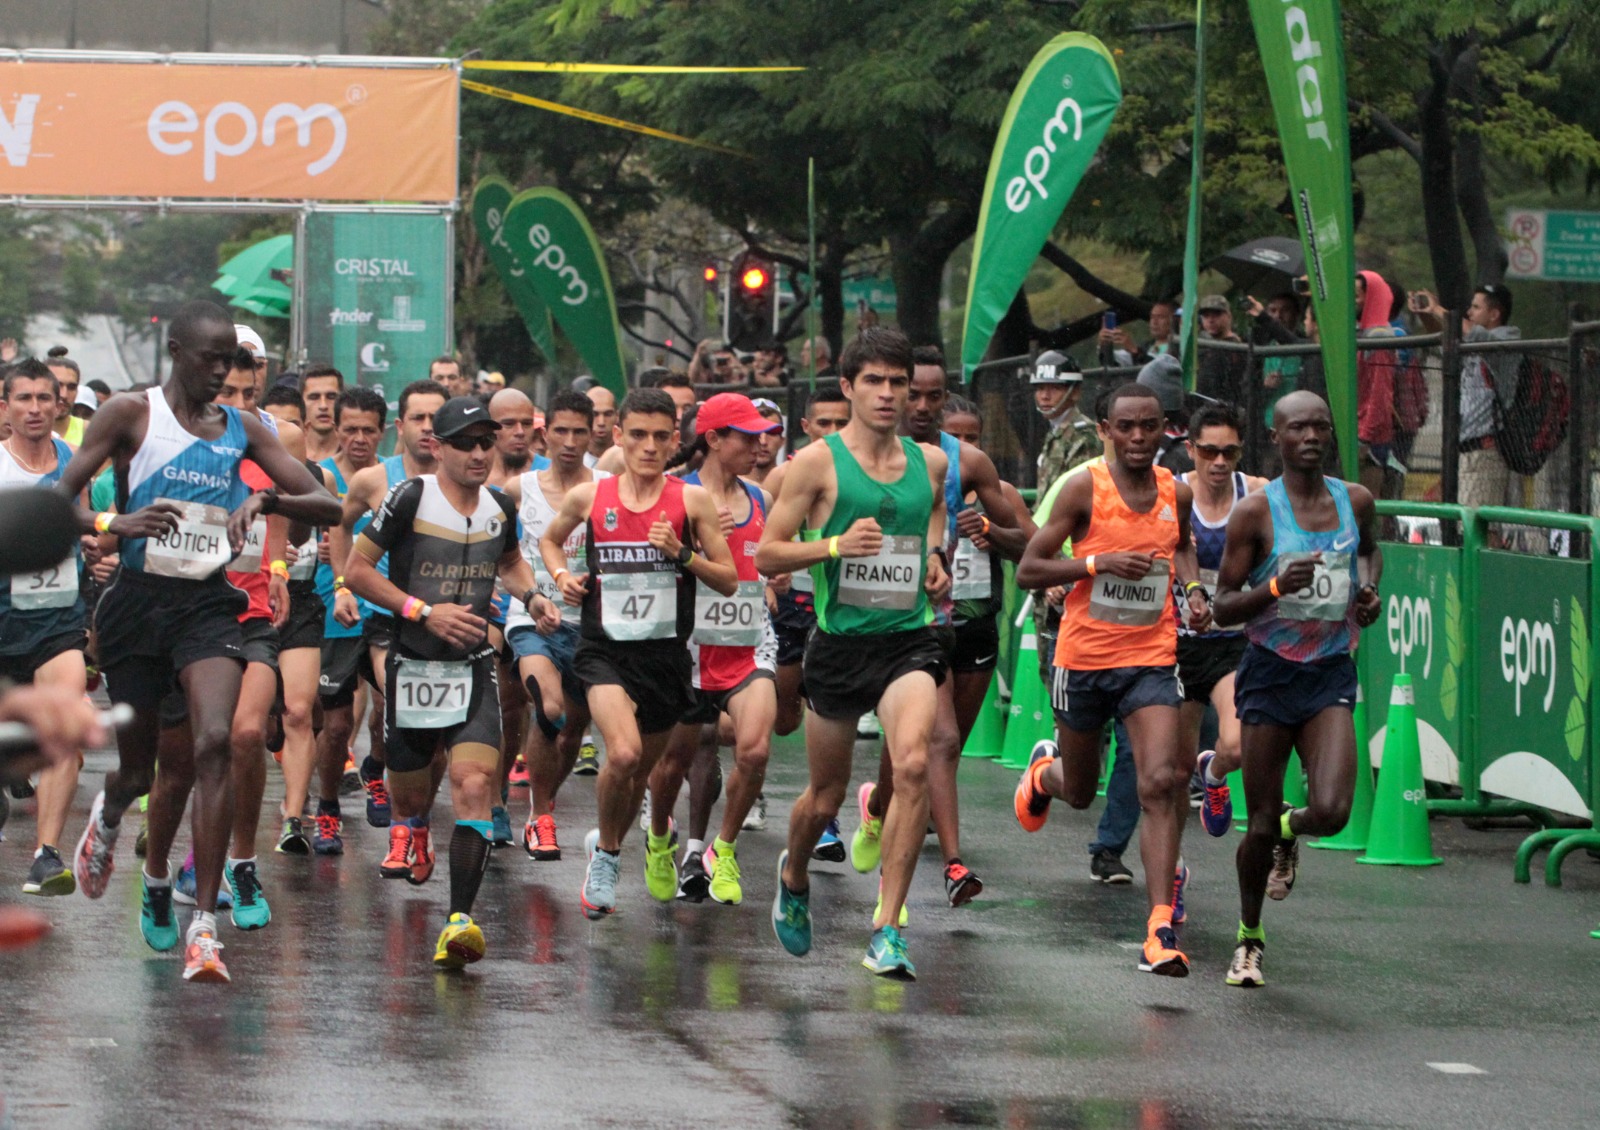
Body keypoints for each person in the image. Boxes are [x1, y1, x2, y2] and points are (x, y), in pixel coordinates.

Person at [63, 300, 339, 985]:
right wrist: (114, 518)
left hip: (206, 610)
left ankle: (204, 926)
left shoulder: (242, 429)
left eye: (233, 362)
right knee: (146, 769)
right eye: (211, 359)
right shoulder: (130, 414)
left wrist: (269, 502)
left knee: (217, 741)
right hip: (135, 610)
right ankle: (117, 819)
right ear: (178, 353)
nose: (222, 372)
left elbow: (330, 505)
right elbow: (56, 498)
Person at [760, 326, 950, 980]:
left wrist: (935, 559)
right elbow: (767, 552)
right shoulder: (815, 464)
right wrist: (835, 548)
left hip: (909, 640)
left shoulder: (932, 462)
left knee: (915, 764)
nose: (889, 394)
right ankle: (793, 874)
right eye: (875, 381)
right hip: (839, 646)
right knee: (824, 795)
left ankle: (888, 927)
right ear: (848, 387)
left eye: (899, 383)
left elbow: (932, 519)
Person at [345, 396, 558, 969]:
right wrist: (420, 610)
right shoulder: (410, 497)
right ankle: (415, 828)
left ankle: (459, 920)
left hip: (472, 667)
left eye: (486, 441)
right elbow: (357, 570)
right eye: (465, 442)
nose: (479, 452)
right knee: (411, 796)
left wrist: (532, 595)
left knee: (472, 783)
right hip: (413, 666)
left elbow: (510, 560)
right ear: (436, 446)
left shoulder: (497, 505)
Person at [1015, 382, 1208, 978]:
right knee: (1080, 790)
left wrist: (1195, 591)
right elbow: (1029, 568)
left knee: (1161, 781)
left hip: (1151, 656)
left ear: (1163, 429)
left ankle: (1158, 927)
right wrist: (1096, 563)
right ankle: (1043, 776)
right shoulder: (1082, 487)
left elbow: (1182, 548)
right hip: (1085, 660)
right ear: (1104, 429)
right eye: (1125, 426)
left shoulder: (1175, 489)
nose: (1138, 437)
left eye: (1149, 426)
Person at [539, 387, 737, 919]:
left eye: (659, 436)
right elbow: (550, 540)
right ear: (619, 437)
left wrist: (683, 553)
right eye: (638, 435)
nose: (648, 447)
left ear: (675, 441)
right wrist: (562, 577)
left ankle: (630, 839)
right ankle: (605, 855)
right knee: (621, 755)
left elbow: (729, 581)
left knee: (637, 777)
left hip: (665, 659)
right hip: (604, 651)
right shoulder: (591, 498)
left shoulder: (690, 502)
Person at [1211, 390, 1382, 987]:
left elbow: (1369, 556)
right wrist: (1277, 589)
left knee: (1332, 812)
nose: (1310, 436)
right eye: (1297, 428)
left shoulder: (1354, 500)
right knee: (1257, 822)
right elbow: (1224, 608)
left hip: (1329, 670)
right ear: (1277, 438)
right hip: (1269, 672)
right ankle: (1249, 939)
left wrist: (1367, 596)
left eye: (1320, 428)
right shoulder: (1256, 513)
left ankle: (1294, 828)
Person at [857, 344, 1020, 908]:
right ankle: (952, 861)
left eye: (932, 395)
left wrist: (991, 534)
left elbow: (1030, 542)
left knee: (931, 747)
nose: (921, 405)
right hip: (876, 619)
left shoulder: (965, 462)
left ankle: (880, 808)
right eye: (913, 393)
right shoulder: (854, 457)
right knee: (939, 740)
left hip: (949, 619)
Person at [146, 345, 292, 934]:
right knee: (176, 768)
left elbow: (280, 512)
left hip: (250, 614)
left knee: (247, 732)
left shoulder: (265, 442)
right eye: (225, 394)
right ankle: (157, 876)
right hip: (183, 619)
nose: (236, 406)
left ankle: (243, 864)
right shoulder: (172, 442)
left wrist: (278, 571)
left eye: (248, 395)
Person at [646, 393, 781, 905]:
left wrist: (773, 579)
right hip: (688, 644)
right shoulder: (677, 497)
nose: (758, 444)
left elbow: (761, 564)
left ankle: (722, 850)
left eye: (760, 434)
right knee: (674, 759)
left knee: (755, 748)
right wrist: (696, 547)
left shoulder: (761, 498)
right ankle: (660, 837)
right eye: (745, 436)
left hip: (749, 642)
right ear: (713, 440)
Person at [330, 380, 448, 842]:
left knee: (433, 741)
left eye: (435, 419)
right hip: (383, 616)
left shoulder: (465, 479)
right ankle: (403, 825)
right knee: (398, 702)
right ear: (400, 426)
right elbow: (339, 526)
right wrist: (342, 585)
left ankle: (409, 809)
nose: (427, 428)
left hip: (440, 618)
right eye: (417, 418)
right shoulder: (374, 480)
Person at [500, 391, 607, 863]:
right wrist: (528, 595)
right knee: (550, 708)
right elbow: (502, 557)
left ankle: (541, 802)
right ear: (545, 434)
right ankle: (540, 816)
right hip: (533, 616)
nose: (568, 441)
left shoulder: (608, 485)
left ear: (592, 434)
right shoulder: (518, 489)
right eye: (559, 431)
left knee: (573, 730)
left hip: (593, 625)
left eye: (579, 432)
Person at [0, 359, 88, 897]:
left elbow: (81, 524)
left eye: (43, 398)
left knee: (66, 726)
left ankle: (47, 853)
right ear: (5, 406)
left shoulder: (74, 462)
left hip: (58, 620)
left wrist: (99, 551)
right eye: (23, 398)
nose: (35, 408)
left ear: (59, 404)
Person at [1175, 403, 1269, 837]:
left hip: (1230, 643)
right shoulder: (1172, 492)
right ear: (1190, 449)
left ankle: (1212, 773)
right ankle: (1172, 877)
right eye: (1209, 451)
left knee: (1236, 745)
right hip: (1173, 644)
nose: (1219, 462)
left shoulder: (1256, 493)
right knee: (1170, 776)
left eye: (1229, 453)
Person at [258, 385, 335, 857]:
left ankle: (292, 816)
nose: (280, 435)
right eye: (271, 425)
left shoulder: (318, 475)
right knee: (263, 726)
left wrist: (339, 575)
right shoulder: (245, 472)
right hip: (250, 601)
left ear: (303, 432)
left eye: (290, 426)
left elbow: (338, 527)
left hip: (302, 602)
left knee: (299, 712)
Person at [310, 383, 386, 854]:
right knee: (336, 726)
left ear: (383, 432)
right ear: (336, 428)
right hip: (335, 604)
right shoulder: (321, 477)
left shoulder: (391, 479)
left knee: (391, 709)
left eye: (368, 430)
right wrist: (326, 558)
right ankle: (328, 806)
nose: (359, 438)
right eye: (351, 428)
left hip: (386, 604)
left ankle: (376, 769)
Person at [1413, 283, 1520, 509]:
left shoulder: (1505, 340)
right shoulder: (1468, 343)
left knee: (1478, 524)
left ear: (1494, 314)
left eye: (1476, 307)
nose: (1469, 313)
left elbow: (1471, 332)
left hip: (1486, 450)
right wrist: (1427, 316)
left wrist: (1438, 309)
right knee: (1465, 524)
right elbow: (1443, 338)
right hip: (1463, 450)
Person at [1194, 295, 1248, 407]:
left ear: (1228, 316)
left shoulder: (1238, 348)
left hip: (1228, 410)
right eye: (1206, 316)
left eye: (1216, 315)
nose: (1210, 320)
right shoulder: (1204, 347)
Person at [299, 365, 344, 464]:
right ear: (301, 402)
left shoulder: (355, 455)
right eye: (314, 397)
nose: (323, 406)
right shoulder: (289, 452)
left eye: (331, 396)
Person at [43, 349, 84, 447]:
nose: (64, 395)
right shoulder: (16, 431)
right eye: (57, 385)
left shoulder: (91, 432)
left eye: (71, 387)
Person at [747, 396, 786, 487]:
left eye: (772, 432)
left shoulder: (795, 484)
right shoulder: (725, 487)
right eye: (756, 431)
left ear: (782, 441)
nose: (763, 441)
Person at [583, 384, 617, 471]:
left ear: (617, 416)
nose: (601, 422)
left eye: (608, 414)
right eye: (595, 414)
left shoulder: (627, 460)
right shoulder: (572, 459)